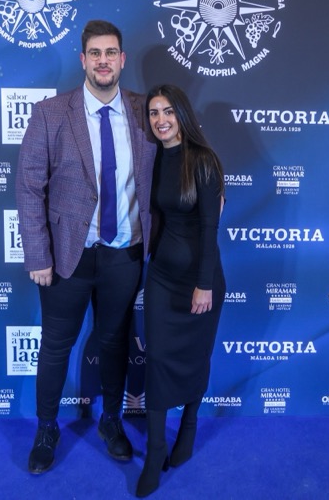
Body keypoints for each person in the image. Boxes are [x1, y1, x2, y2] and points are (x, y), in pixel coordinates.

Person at [16, 20, 157, 475]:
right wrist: (38, 255)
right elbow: (28, 188)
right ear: (83, 60)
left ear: (122, 59)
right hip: (66, 257)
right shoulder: (50, 113)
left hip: (125, 253)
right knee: (56, 346)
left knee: (114, 342)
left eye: (110, 52)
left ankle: (111, 421)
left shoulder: (145, 111)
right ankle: (46, 429)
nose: (103, 60)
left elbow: (179, 158)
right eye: (95, 53)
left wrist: (211, 187)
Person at [137, 84, 226, 497]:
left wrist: (203, 285)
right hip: (160, 278)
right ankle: (156, 450)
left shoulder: (203, 161)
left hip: (199, 282)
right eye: (154, 113)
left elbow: (210, 228)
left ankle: (188, 428)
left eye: (168, 111)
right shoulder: (154, 158)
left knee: (195, 358)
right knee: (156, 359)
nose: (161, 120)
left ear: (182, 115)